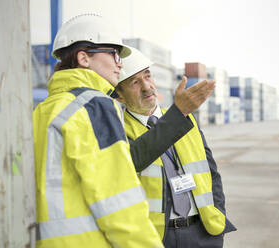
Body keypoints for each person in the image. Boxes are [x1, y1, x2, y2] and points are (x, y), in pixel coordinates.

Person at [33, 14, 216, 248]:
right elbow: (118, 202)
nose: (119, 63)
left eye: (148, 76)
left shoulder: (41, 112)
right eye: (114, 54)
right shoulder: (94, 106)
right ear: (83, 58)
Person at [116, 47, 237, 248]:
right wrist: (177, 113)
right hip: (156, 238)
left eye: (147, 76)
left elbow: (211, 173)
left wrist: (218, 217)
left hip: (203, 233)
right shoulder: (118, 129)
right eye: (135, 82)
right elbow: (132, 161)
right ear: (119, 96)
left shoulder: (186, 119)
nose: (147, 87)